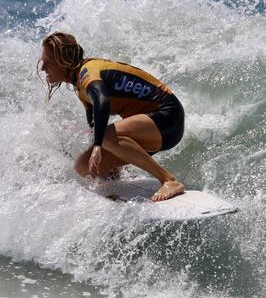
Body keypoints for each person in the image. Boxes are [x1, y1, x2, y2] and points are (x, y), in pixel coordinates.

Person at [39, 31, 185, 202]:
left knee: (104, 138)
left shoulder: (88, 73)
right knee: (83, 166)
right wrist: (102, 162)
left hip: (168, 118)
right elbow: (94, 123)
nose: (42, 68)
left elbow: (103, 101)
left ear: (63, 62)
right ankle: (114, 176)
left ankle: (169, 180)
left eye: (48, 62)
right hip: (152, 129)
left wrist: (98, 147)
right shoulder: (79, 85)